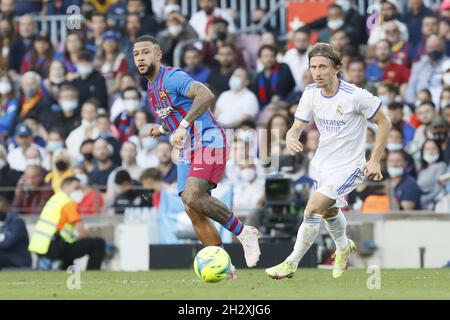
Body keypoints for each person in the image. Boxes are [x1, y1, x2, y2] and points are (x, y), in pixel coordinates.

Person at [133, 35, 261, 275]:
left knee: (193, 195)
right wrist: (162, 129)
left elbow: (206, 96)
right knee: (191, 208)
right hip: (187, 148)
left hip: (209, 137)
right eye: (136, 54)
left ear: (158, 55)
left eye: (145, 52)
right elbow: (175, 113)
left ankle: (245, 233)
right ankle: (223, 263)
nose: (140, 58)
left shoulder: (173, 77)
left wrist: (181, 126)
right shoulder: (151, 86)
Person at [265, 43, 390, 280]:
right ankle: (343, 247)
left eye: (323, 66)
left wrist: (375, 160)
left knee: (312, 208)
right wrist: (291, 137)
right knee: (328, 211)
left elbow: (385, 122)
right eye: (313, 67)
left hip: (351, 167)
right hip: (322, 164)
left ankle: (291, 263)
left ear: (336, 69)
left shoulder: (356, 96)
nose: (317, 72)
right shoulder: (311, 93)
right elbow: (295, 128)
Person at [28, 177, 106, 270]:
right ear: (66, 187)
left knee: (69, 250)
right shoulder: (68, 203)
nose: (79, 191)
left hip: (40, 245)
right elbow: (81, 232)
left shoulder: (55, 199)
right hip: (54, 246)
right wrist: (91, 235)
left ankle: (67, 274)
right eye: (76, 188)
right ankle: (92, 276)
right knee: (98, 243)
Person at [0, 196, 32, 270]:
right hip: (9, 259)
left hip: (20, 262)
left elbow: (8, 244)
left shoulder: (17, 223)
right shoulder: (5, 224)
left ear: (6, 207)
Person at [418, 139, 448, 209]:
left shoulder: (441, 166)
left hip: (433, 206)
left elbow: (438, 190)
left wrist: (420, 200)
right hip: (422, 205)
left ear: (439, 150)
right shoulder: (421, 170)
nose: (430, 152)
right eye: (427, 149)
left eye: (433, 148)